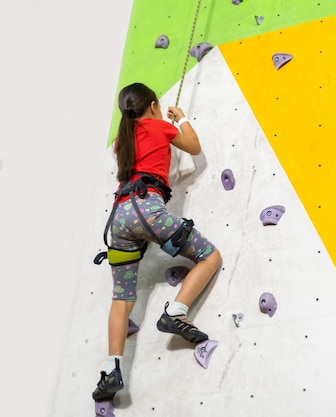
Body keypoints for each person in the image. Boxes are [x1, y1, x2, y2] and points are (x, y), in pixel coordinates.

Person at [91, 82, 222, 401]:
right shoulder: (160, 125)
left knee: (122, 298)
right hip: (148, 209)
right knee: (210, 257)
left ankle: (112, 370)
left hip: (119, 219)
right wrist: (181, 118)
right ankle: (176, 311)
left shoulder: (121, 141)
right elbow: (192, 147)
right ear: (152, 106)